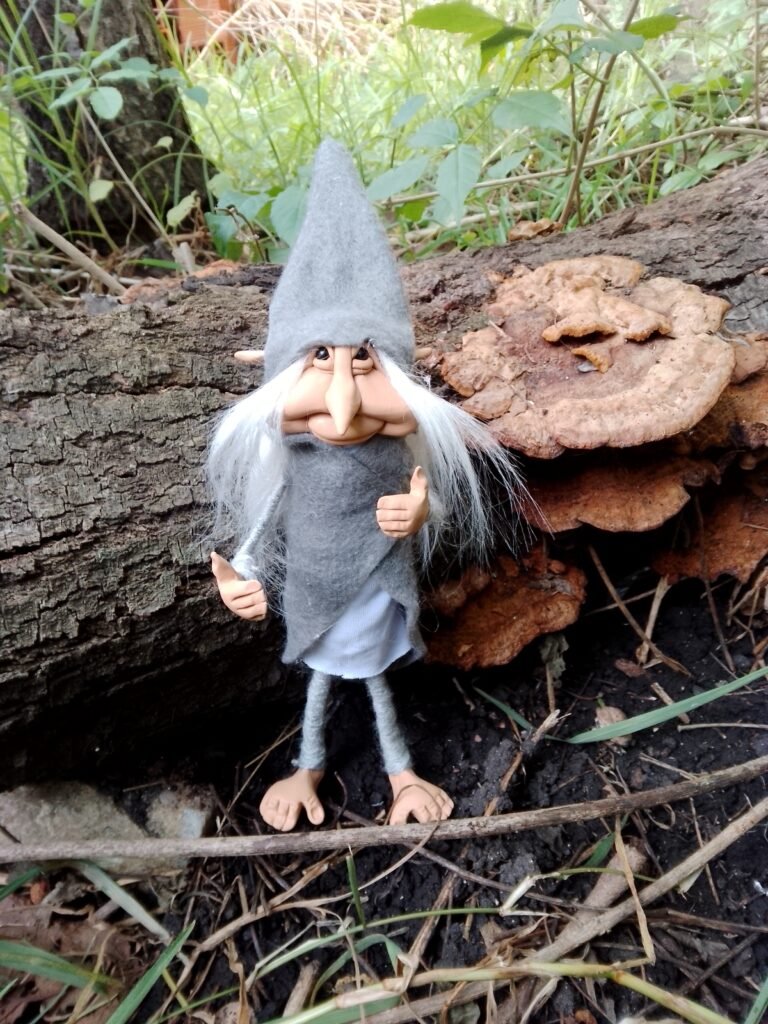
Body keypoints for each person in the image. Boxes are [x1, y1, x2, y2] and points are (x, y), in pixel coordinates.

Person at [207, 140, 523, 831]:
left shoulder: (398, 444)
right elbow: (266, 520)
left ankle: (400, 771)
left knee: (377, 683)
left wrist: (419, 509)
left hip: (379, 590)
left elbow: (426, 496)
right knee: (321, 683)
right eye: (321, 357)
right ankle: (308, 765)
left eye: (366, 362)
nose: (344, 407)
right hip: (315, 593)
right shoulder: (292, 450)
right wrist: (242, 578)